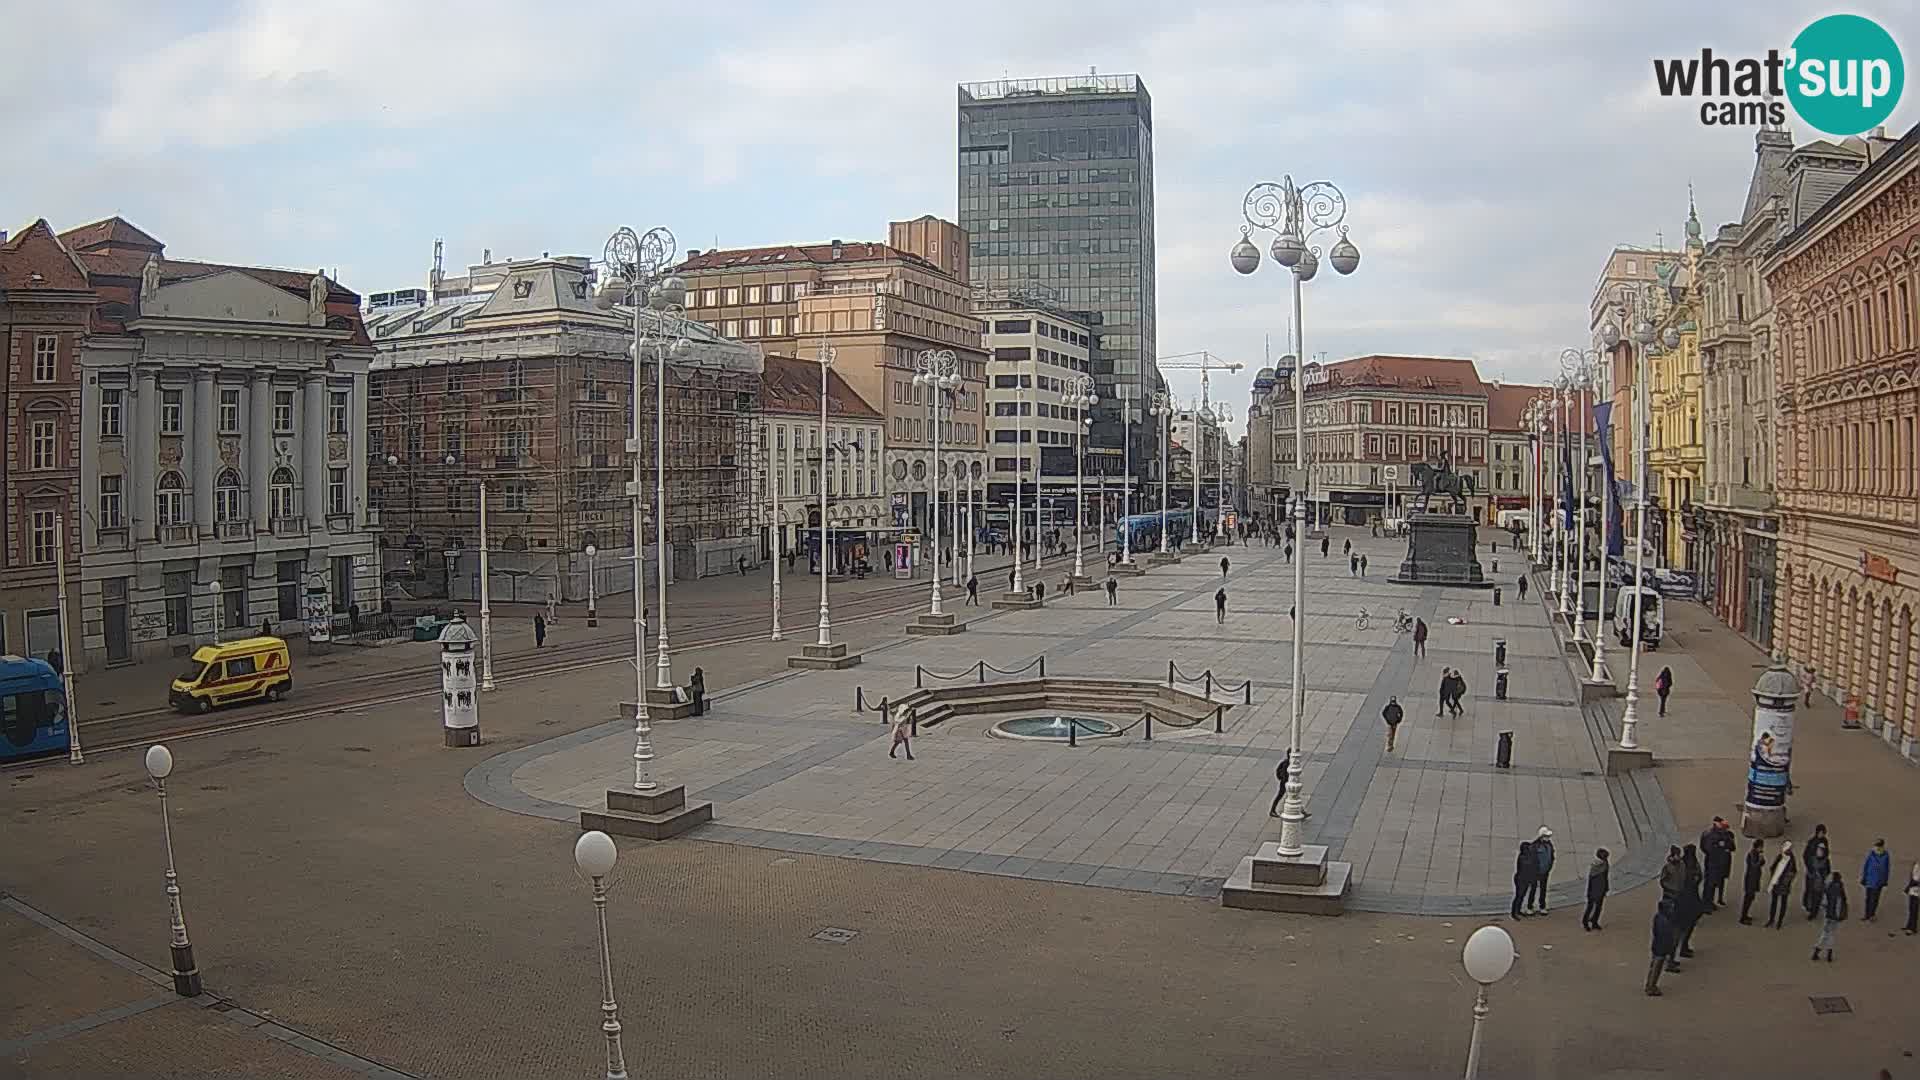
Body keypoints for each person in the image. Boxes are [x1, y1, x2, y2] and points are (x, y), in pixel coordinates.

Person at [1676, 844, 1705, 958]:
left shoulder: (1688, 863)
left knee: (1690, 921)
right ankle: (1682, 947)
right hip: (1687, 898)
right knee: (1686, 925)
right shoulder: (1685, 865)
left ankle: (1684, 946)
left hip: (1690, 896)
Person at [1702, 817, 1737, 909]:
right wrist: (1720, 847)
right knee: (1710, 884)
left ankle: (1712, 901)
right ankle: (1707, 904)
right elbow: (1707, 849)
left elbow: (1732, 847)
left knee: (1717, 882)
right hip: (1713, 863)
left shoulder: (1726, 835)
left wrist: (1724, 844)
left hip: (1721, 863)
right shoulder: (1709, 834)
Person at [1812, 871, 1847, 962]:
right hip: (1835, 915)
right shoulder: (1840, 889)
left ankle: (1817, 951)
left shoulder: (1828, 888)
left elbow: (1824, 903)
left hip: (1828, 915)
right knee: (1831, 934)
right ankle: (1828, 954)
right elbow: (1842, 902)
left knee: (1825, 933)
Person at [1647, 900, 1679, 995]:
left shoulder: (1659, 917)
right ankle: (1651, 987)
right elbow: (1666, 937)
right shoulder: (1664, 922)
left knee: (1654, 965)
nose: (1672, 910)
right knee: (1657, 967)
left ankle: (1650, 984)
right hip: (1661, 948)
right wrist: (1669, 949)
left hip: (1657, 945)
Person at [1765, 840, 1798, 929]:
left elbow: (1794, 871)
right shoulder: (1780, 857)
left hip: (1784, 884)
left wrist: (1787, 879)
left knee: (1782, 903)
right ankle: (1772, 919)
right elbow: (1772, 867)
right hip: (1777, 882)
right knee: (1774, 902)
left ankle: (1779, 921)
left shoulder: (1791, 859)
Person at [1803, 824, 1832, 921]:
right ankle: (1808, 905)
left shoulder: (1825, 842)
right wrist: (1810, 868)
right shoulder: (1811, 842)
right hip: (1812, 871)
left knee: (1817, 893)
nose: (1822, 835)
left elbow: (1827, 858)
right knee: (1809, 890)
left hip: (1820, 874)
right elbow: (1805, 856)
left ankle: (1813, 911)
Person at [1861, 839, 1891, 920]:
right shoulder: (1871, 854)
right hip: (1869, 879)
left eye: (1879, 846)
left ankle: (1871, 914)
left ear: (1882, 846)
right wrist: (1864, 878)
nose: (1877, 847)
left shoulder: (1886, 855)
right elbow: (1866, 866)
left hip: (1879, 882)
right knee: (1868, 898)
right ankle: (1867, 914)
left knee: (1874, 899)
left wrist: (1885, 880)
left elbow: (1887, 869)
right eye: (1876, 845)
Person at [1582, 848, 1610, 931]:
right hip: (1594, 890)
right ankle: (1585, 922)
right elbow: (1591, 881)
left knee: (1598, 907)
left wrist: (1606, 888)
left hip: (1601, 889)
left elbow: (1606, 878)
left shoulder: (1605, 864)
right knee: (1590, 906)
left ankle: (1594, 922)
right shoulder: (1595, 867)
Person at [1740, 838, 1766, 924]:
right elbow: (1754, 866)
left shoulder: (1757, 853)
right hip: (1751, 879)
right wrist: (1760, 860)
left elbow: (1762, 864)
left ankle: (1745, 915)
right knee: (1748, 898)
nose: (1762, 849)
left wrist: (1761, 860)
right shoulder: (1752, 854)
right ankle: (1743, 917)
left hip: (1754, 879)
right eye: (1761, 847)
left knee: (1751, 897)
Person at [1530, 827, 1556, 912]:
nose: (1548, 838)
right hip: (1535, 872)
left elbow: (1552, 856)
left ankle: (1542, 906)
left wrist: (1549, 867)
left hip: (1545, 872)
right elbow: (1532, 859)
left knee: (1543, 889)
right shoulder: (1535, 846)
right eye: (1546, 836)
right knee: (1533, 889)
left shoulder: (1549, 845)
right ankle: (1530, 906)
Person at [1512, 841, 1539, 919]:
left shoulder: (1527, 856)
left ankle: (1518, 910)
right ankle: (1514, 913)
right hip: (1521, 880)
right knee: (1519, 896)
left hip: (1525, 880)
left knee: (1522, 896)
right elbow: (1528, 867)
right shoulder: (1523, 858)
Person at [1269, 753, 1290, 817]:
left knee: (1295, 795)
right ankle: (1272, 810)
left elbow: (1277, 770)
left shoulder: (1287, 762)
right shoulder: (1286, 763)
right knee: (1279, 796)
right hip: (1285, 783)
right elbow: (1282, 773)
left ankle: (1301, 810)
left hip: (1287, 782)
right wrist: (1283, 779)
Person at [1903, 861, 1920, 935]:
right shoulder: (1916, 864)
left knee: (1914, 910)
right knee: (1911, 909)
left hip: (1917, 892)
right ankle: (1909, 926)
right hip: (1913, 891)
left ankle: (1912, 928)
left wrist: (1907, 888)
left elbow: (1915, 880)